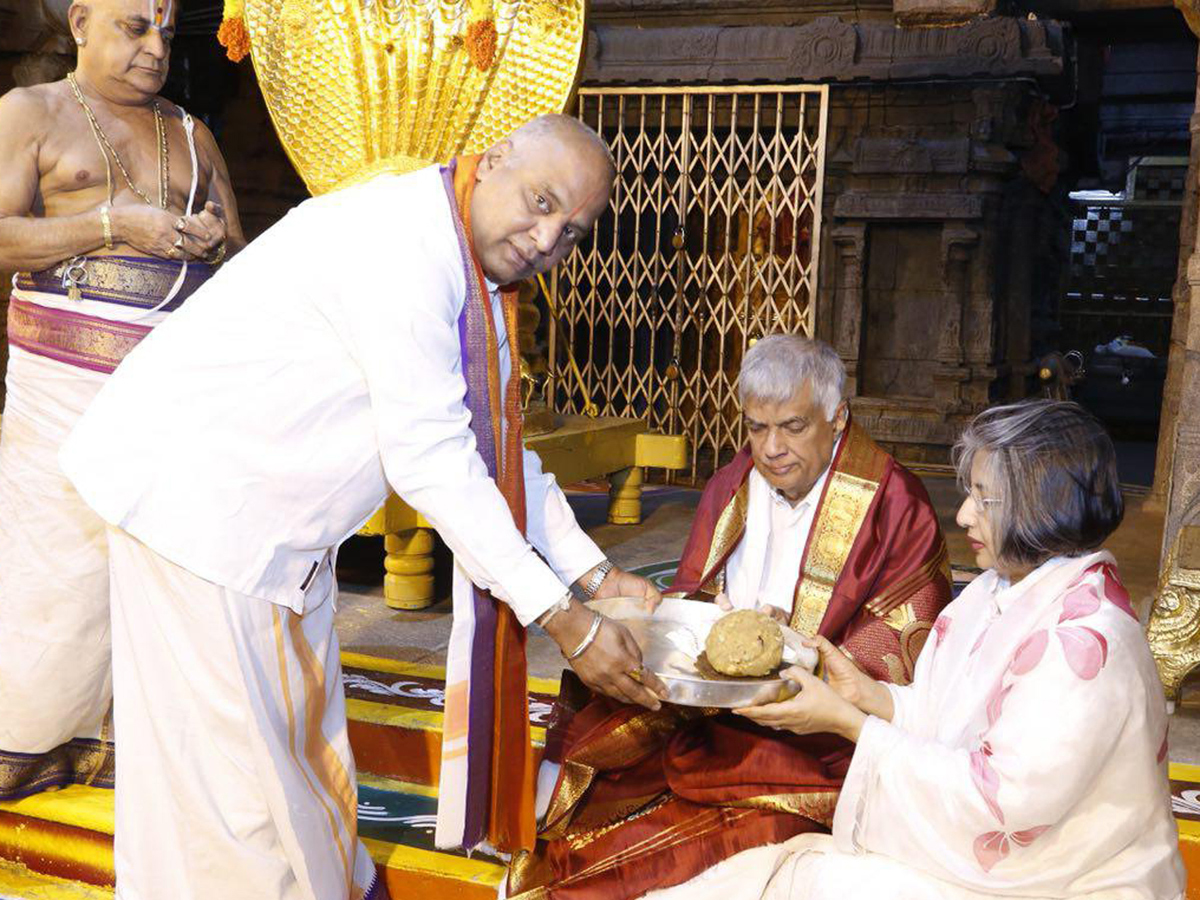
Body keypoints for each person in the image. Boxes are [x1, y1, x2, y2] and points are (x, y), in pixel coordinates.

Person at [58, 114, 669, 900]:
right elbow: (433, 458)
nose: (548, 236)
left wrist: (593, 575)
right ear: (493, 162)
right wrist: (566, 618)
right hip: (202, 514)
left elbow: (498, 449)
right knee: (237, 798)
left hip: (260, 532)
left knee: (291, 765)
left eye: (572, 229)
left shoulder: (467, 270)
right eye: (541, 200)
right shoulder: (406, 246)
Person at [644, 399, 1185, 900]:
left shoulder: (1086, 642)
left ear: (1044, 507)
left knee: (799, 880)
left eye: (984, 499)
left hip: (1061, 877)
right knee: (767, 868)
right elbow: (948, 717)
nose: (965, 515)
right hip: (996, 850)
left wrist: (851, 726)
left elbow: (1003, 806)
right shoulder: (994, 589)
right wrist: (870, 697)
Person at [509, 335, 953, 900]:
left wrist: (802, 650)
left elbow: (899, 647)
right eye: (756, 427)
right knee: (596, 739)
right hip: (706, 706)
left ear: (837, 418)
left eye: (793, 426)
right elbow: (690, 593)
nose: (770, 448)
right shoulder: (733, 483)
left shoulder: (896, 505)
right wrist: (700, 614)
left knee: (710, 829)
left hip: (810, 730)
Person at [0, 0, 244, 798]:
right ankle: (30, 748)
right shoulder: (31, 113)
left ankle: (132, 753)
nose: (155, 48)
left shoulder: (193, 133)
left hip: (175, 407)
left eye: (166, 34)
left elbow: (242, 268)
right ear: (78, 23)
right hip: (58, 399)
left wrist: (211, 242)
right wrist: (114, 224)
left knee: (168, 579)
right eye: (134, 28)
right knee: (57, 580)